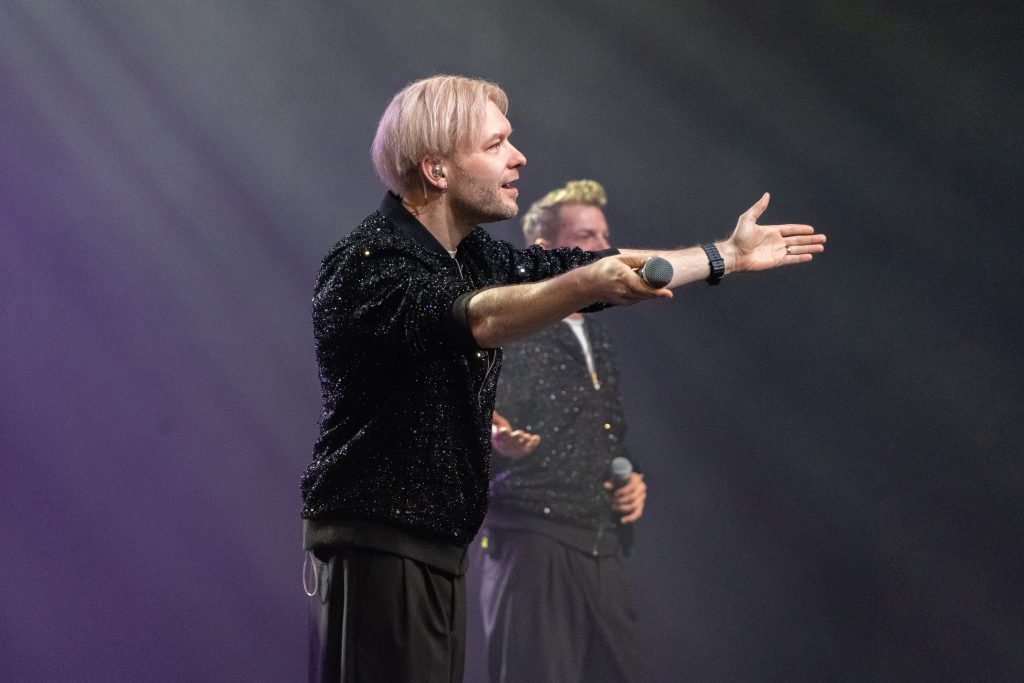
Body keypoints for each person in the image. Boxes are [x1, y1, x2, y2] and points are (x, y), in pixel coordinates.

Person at [300, 74, 825, 682]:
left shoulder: (473, 256)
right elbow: (478, 317)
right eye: (495, 144)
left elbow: (601, 267)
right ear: (437, 170)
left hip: (430, 547)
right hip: (377, 542)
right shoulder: (370, 262)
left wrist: (725, 256)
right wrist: (581, 285)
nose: (518, 156)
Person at [480, 179, 648, 683]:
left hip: (601, 544)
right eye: (585, 236)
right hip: (534, 544)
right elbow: (462, 421)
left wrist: (633, 478)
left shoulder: (595, 331)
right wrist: (495, 442)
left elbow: (604, 428)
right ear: (545, 250)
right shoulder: (510, 325)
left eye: (604, 235)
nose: (603, 248)